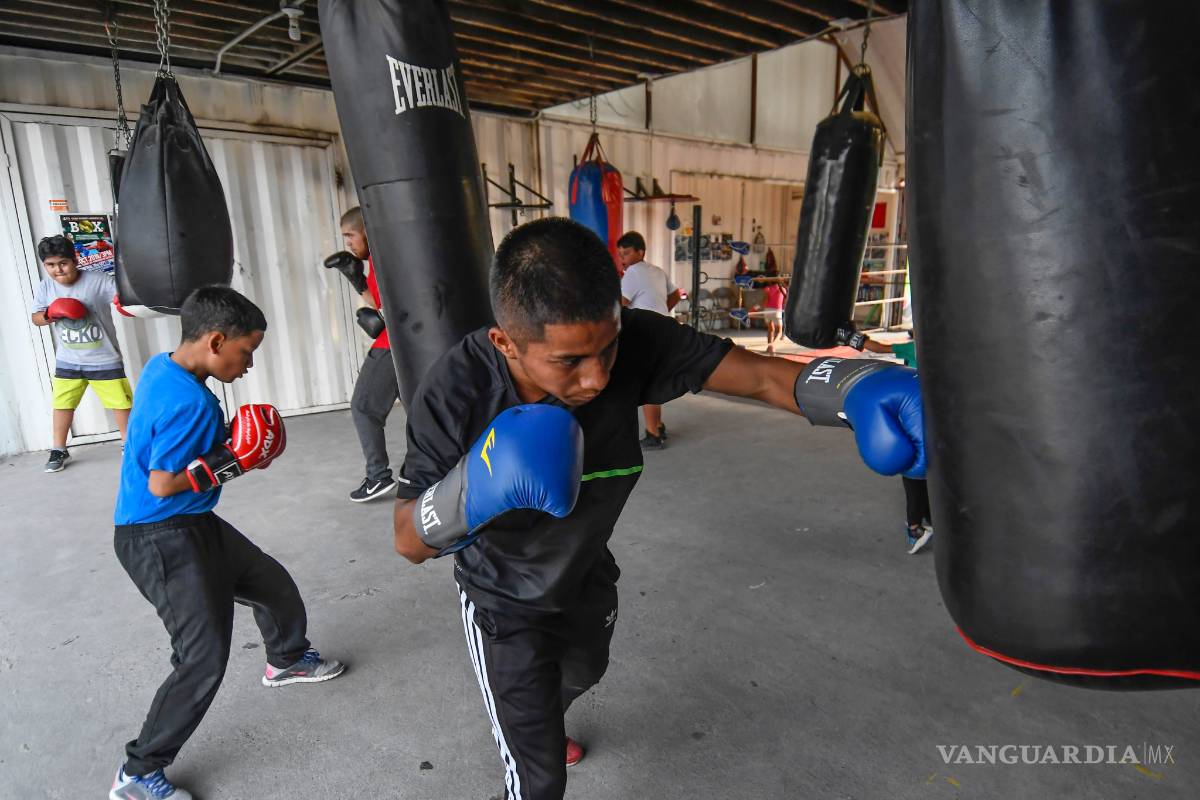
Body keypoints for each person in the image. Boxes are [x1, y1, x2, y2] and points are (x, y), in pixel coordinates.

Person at [390, 218, 923, 800]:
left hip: (586, 571)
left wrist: (853, 387)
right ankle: (531, 736)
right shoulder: (456, 391)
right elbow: (407, 541)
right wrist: (473, 488)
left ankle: (545, 712)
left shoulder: (637, 342)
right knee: (538, 780)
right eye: (568, 362)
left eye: (608, 347)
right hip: (502, 600)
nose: (597, 378)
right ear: (506, 343)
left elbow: (761, 378)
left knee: (585, 669)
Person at [110, 287, 345, 800]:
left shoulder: (164, 367)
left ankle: (286, 659)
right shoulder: (187, 401)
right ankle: (137, 773)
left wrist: (224, 450)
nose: (250, 364)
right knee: (201, 658)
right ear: (216, 341)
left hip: (191, 523)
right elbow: (162, 483)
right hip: (159, 535)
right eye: (246, 352)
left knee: (269, 582)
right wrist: (234, 459)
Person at [30, 235, 132, 472]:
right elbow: (36, 318)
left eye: (63, 263)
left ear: (75, 260)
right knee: (63, 404)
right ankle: (58, 448)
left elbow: (122, 299)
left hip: (103, 356)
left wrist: (126, 302)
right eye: (51, 265)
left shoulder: (98, 280)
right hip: (68, 358)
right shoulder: (45, 287)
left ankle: (129, 443)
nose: (58, 270)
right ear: (45, 265)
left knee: (120, 402)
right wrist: (50, 314)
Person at [339, 206, 404, 502]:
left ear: (366, 232)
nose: (348, 243)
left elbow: (378, 303)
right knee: (419, 409)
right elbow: (380, 301)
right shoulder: (394, 251)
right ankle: (428, 469)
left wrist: (358, 278)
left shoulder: (381, 256)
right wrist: (356, 277)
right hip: (411, 343)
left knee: (363, 407)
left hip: (392, 345)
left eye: (350, 235)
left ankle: (378, 477)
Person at [862, 332, 933, 553]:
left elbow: (878, 347)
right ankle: (921, 523)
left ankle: (921, 524)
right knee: (923, 477)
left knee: (916, 477)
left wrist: (854, 339)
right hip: (930, 421)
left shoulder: (913, 347)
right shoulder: (949, 349)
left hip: (915, 419)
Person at [616, 230, 681, 450]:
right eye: (620, 254)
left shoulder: (633, 273)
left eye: (626, 253)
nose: (622, 259)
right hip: (664, 330)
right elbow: (676, 294)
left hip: (645, 334)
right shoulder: (657, 271)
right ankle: (659, 425)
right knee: (655, 379)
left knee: (647, 384)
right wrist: (661, 312)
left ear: (640, 252)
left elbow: (620, 305)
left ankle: (653, 434)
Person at [754, 251, 788, 354]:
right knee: (779, 331)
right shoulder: (783, 289)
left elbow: (764, 300)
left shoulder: (768, 288)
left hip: (767, 310)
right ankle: (772, 346)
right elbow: (784, 302)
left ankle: (770, 348)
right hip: (777, 311)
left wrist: (756, 308)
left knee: (770, 330)